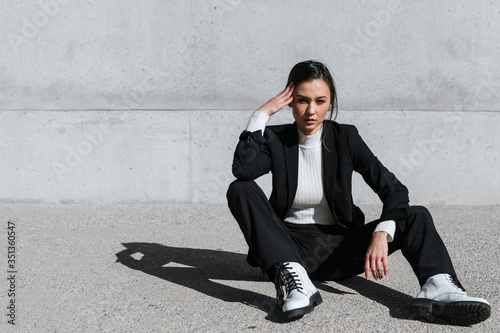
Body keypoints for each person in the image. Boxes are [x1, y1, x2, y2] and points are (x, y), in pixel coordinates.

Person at [226, 60, 491, 325]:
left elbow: (394, 189)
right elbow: (243, 170)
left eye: (320, 101)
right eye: (301, 100)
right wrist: (262, 114)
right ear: (290, 101)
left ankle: (439, 287)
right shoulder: (275, 139)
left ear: (330, 103)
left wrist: (381, 233)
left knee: (416, 215)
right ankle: (296, 283)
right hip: (287, 248)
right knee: (240, 189)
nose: (310, 111)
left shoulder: (346, 138)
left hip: (342, 250)